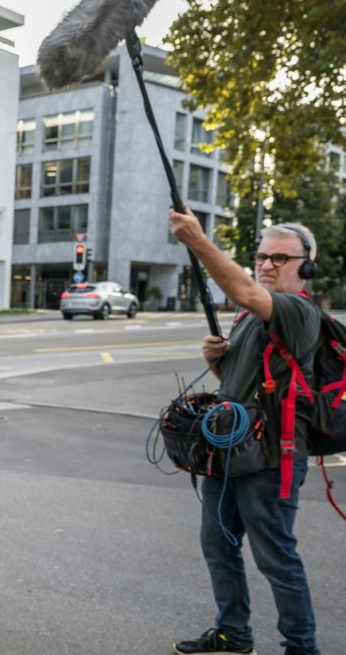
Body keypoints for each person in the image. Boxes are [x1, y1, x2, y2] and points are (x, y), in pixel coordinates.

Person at [167, 210, 322, 655]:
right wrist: (217, 361)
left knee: (275, 557)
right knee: (218, 545)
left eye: (280, 258)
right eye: (261, 257)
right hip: (230, 453)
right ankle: (233, 633)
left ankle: (302, 648)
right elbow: (239, 385)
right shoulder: (248, 317)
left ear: (306, 267)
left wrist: (198, 241)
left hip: (273, 459)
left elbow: (243, 290)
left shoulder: (297, 310)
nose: (267, 264)